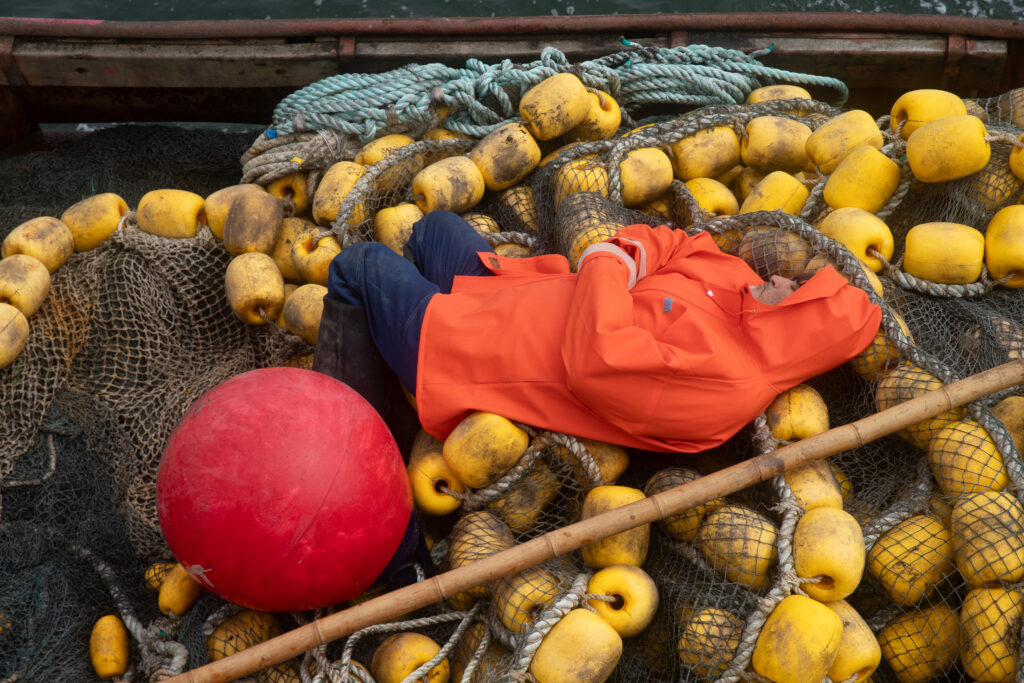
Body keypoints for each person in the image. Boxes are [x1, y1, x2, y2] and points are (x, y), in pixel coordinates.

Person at [316, 210, 881, 454]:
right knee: (435, 229)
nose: (780, 276)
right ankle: (387, 362)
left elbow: (597, 361)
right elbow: (676, 241)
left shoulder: (727, 383)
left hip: (476, 353)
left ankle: (346, 436)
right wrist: (625, 258)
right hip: (505, 294)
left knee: (358, 266)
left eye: (794, 288)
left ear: (796, 321)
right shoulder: (740, 283)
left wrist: (609, 263)